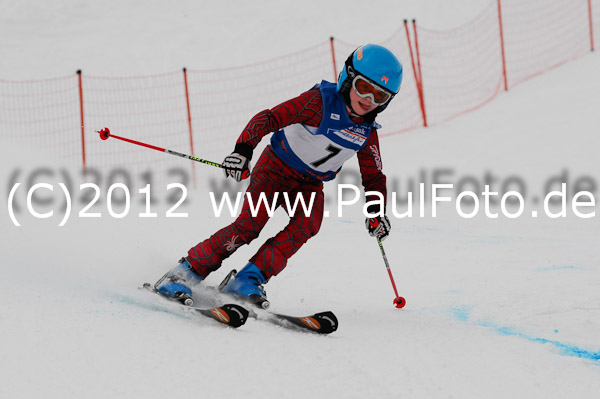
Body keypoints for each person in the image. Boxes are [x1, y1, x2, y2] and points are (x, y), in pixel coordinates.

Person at [154, 44, 403, 308]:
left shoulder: (367, 132)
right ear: (347, 78)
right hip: (275, 168)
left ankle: (248, 279)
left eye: (380, 96)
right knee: (250, 226)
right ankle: (185, 272)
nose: (369, 100)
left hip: (308, 184)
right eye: (364, 88)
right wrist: (243, 151)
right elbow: (268, 118)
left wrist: (376, 212)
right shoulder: (318, 102)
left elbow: (373, 176)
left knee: (309, 223)